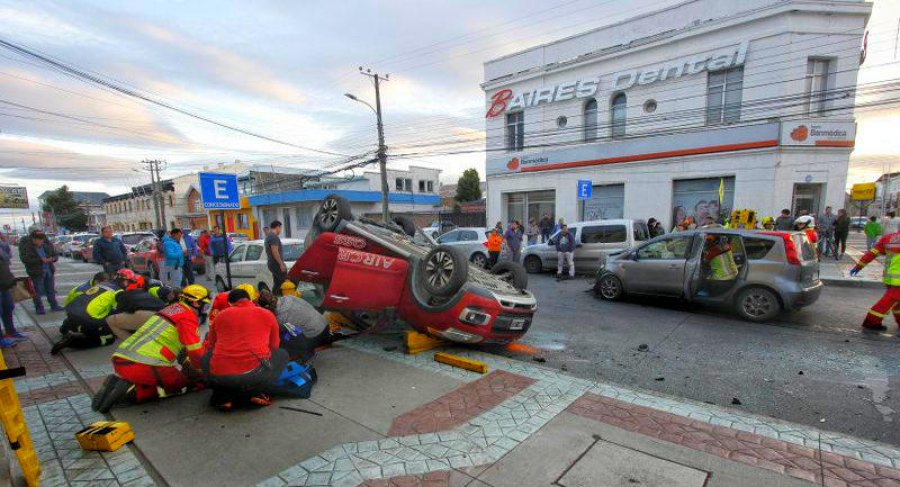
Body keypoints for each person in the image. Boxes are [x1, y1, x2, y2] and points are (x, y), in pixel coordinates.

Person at [92, 285, 211, 413]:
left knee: (154, 380)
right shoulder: (187, 317)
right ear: (196, 303)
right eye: (205, 305)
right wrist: (201, 371)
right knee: (184, 384)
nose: (205, 309)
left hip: (122, 359)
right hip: (144, 365)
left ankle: (121, 384)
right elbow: (195, 351)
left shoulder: (169, 310)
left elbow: (179, 345)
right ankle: (129, 393)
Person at [203, 288, 287, 411]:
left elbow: (211, 344)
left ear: (230, 303)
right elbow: (275, 345)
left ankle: (222, 397)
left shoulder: (220, 315)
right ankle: (257, 392)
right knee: (282, 354)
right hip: (254, 373)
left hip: (222, 374)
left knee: (207, 356)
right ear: (250, 299)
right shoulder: (267, 314)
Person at [52, 270, 139, 354]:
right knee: (108, 338)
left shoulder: (102, 284)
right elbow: (119, 311)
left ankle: (67, 328)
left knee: (89, 317)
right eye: (130, 282)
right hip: (87, 318)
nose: (130, 284)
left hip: (72, 312)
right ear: (124, 281)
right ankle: (72, 341)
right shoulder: (119, 291)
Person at [257, 288, 338, 356]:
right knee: (290, 329)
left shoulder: (281, 317)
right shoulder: (289, 297)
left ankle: (304, 354)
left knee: (280, 341)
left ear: (267, 308)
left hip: (316, 336)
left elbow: (274, 334)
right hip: (325, 327)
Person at [850, 229, 900, 331]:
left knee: (896, 302)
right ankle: (871, 321)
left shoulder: (888, 238)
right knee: (889, 301)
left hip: (890, 277)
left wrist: (859, 266)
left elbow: (872, 253)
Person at [19, 230, 62, 315]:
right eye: (38, 239)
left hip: (48, 270)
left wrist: (52, 259)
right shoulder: (27, 247)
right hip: (36, 272)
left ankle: (54, 305)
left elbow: (55, 255)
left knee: (50, 290)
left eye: (42, 239)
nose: (40, 241)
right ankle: (39, 308)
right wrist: (41, 260)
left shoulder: (46, 245)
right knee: (37, 291)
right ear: (33, 239)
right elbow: (25, 259)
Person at [0, 234, 21, 347]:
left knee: (8, 307)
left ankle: (11, 331)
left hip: (4, 282)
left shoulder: (2, 246)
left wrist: (4, 242)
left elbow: (8, 257)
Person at [266, 220, 287, 294]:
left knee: (277, 283)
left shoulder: (269, 236)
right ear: (277, 227)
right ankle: (279, 297)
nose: (280, 230)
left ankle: (274, 297)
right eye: (280, 228)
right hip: (276, 263)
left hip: (272, 263)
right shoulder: (273, 237)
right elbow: (275, 251)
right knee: (284, 281)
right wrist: (281, 264)